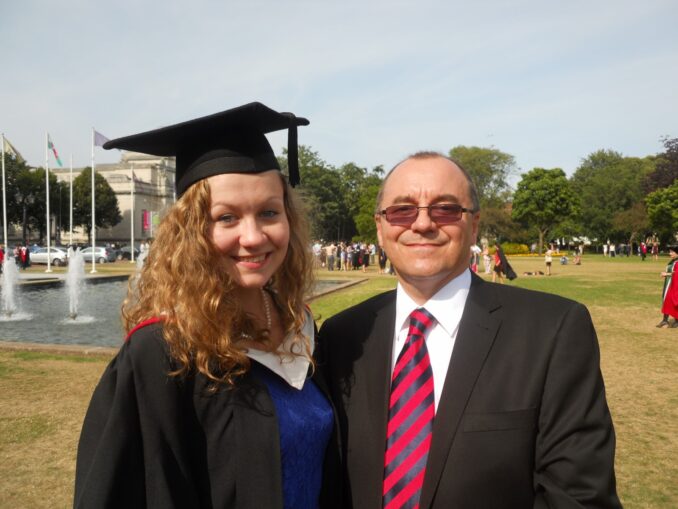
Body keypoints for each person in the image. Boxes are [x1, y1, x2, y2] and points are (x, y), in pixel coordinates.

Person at [318, 151, 620, 508]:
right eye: (402, 210)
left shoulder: (552, 331)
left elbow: (579, 497)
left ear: (473, 225)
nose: (423, 223)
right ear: (381, 229)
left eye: (445, 209)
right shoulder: (342, 337)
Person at [75, 102, 339, 508]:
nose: (253, 237)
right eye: (226, 218)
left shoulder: (298, 327)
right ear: (193, 231)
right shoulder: (162, 351)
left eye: (269, 212)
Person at [656, 245, 678, 328]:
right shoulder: (673, 261)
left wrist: (667, 274)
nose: (670, 253)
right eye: (670, 251)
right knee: (667, 300)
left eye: (672, 252)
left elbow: (676, 273)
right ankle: (665, 320)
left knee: (673, 301)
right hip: (669, 284)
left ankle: (676, 320)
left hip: (675, 285)